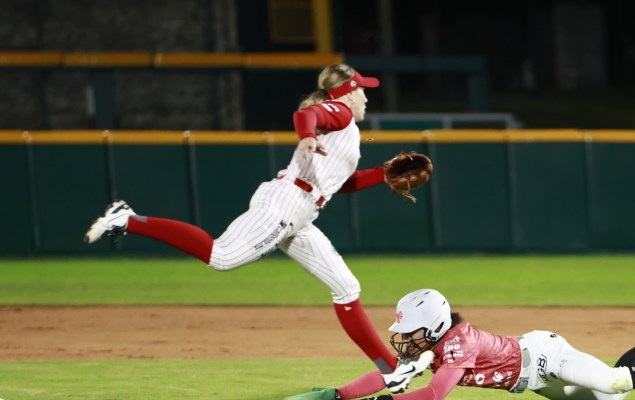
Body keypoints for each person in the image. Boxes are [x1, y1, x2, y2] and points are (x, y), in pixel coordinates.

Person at [84, 63, 407, 374]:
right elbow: (306, 114)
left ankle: (390, 370)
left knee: (346, 287)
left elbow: (342, 184)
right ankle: (128, 219)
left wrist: (382, 174)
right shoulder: (342, 112)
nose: (366, 96)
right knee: (221, 256)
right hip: (286, 203)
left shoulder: (347, 129)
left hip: (302, 209)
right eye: (362, 90)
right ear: (348, 92)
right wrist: (306, 135)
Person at [285, 289, 635, 400]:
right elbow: (394, 375)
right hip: (531, 382)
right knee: (616, 394)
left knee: (615, 381)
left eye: (412, 330)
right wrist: (340, 395)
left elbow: (432, 396)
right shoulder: (438, 341)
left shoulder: (456, 342)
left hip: (546, 356)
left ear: (435, 325)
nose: (405, 338)